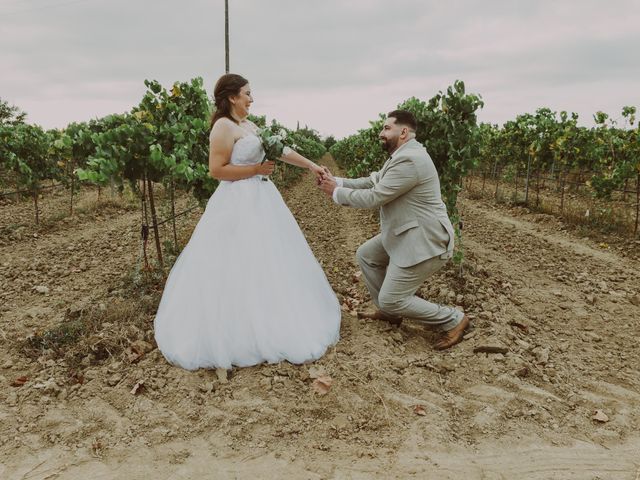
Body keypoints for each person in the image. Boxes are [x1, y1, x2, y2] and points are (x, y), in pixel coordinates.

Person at [154, 73, 341, 370]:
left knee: (268, 259)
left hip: (262, 198)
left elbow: (282, 151)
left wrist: (311, 166)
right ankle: (238, 329)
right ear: (232, 97)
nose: (252, 99)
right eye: (248, 94)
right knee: (235, 261)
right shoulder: (222, 127)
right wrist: (255, 169)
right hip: (236, 201)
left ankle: (270, 319)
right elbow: (216, 170)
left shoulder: (249, 125)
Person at [318, 110, 469, 350]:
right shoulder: (401, 155)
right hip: (405, 232)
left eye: (387, 128)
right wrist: (339, 182)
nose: (381, 132)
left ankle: (454, 319)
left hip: (426, 239)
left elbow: (375, 196)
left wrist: (335, 193)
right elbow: (372, 181)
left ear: (404, 132)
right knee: (366, 255)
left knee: (393, 298)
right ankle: (390, 312)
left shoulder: (410, 160)